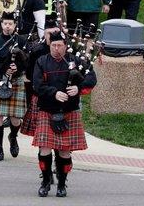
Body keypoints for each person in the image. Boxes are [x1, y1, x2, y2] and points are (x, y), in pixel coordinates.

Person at [32, 31, 97, 197]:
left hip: (69, 111)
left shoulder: (75, 61)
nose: (56, 48)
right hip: (48, 110)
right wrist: (54, 93)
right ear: (49, 46)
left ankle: (62, 183)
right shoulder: (42, 61)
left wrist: (79, 88)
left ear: (65, 46)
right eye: (53, 45)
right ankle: (46, 182)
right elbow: (37, 85)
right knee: (44, 149)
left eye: (59, 45)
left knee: (64, 151)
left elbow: (92, 77)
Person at [0, 12, 27, 161]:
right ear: (1, 24)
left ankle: (13, 137)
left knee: (15, 118)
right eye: (5, 23)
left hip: (15, 80)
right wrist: (2, 71)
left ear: (15, 25)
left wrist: (17, 69)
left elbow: (26, 62)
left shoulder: (21, 40)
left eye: (10, 24)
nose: (8, 26)